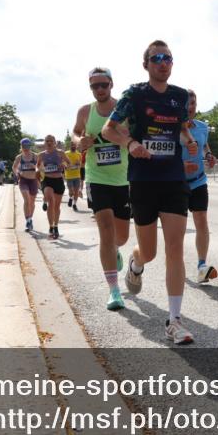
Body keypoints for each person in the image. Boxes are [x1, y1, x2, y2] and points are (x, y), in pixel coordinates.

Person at [102, 40, 198, 344]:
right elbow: (107, 129)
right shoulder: (135, 94)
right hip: (142, 180)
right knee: (151, 252)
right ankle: (136, 262)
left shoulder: (180, 96)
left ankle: (174, 320)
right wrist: (130, 144)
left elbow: (180, 126)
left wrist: (188, 139)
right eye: (156, 58)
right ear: (146, 64)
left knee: (175, 249)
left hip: (172, 179)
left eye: (167, 58)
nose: (163, 62)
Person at [72, 67, 132, 311]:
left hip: (124, 179)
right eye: (94, 86)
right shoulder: (86, 111)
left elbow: (138, 132)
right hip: (97, 179)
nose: (99, 90)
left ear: (111, 84)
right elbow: (76, 133)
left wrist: (129, 134)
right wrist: (79, 142)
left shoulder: (124, 108)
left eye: (103, 85)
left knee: (122, 236)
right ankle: (114, 290)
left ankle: (116, 249)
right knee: (105, 232)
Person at [183, 89, 218, 283]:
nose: (191, 108)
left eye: (194, 104)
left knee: (202, 221)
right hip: (176, 183)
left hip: (198, 180)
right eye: (187, 104)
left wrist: (209, 157)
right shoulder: (172, 129)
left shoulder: (202, 127)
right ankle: (175, 262)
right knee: (177, 228)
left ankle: (201, 265)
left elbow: (205, 146)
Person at [37, 135, 68, 240]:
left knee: (56, 206)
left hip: (58, 180)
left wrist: (63, 164)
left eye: (51, 141)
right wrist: (39, 169)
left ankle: (55, 226)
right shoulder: (41, 155)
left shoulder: (60, 153)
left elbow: (68, 163)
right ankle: (50, 227)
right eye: (47, 141)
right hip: (47, 180)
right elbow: (38, 166)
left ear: (54, 142)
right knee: (51, 200)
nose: (49, 143)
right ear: (45, 143)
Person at [12, 138, 39, 232]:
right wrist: (17, 173)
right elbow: (14, 167)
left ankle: (30, 218)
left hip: (33, 181)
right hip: (23, 181)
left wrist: (35, 167)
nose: (26, 148)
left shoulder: (35, 156)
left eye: (27, 146)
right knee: (27, 200)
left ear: (30, 146)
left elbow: (41, 168)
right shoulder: (19, 157)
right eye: (24, 146)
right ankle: (27, 221)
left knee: (32, 202)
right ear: (21, 147)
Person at [64, 140, 84, 210]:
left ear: (76, 146)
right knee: (71, 191)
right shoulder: (66, 153)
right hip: (69, 176)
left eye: (75, 145)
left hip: (77, 176)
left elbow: (80, 164)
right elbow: (63, 163)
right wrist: (66, 166)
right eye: (72, 145)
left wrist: (78, 164)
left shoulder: (79, 154)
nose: (73, 146)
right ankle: (70, 198)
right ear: (70, 146)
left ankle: (74, 204)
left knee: (76, 191)